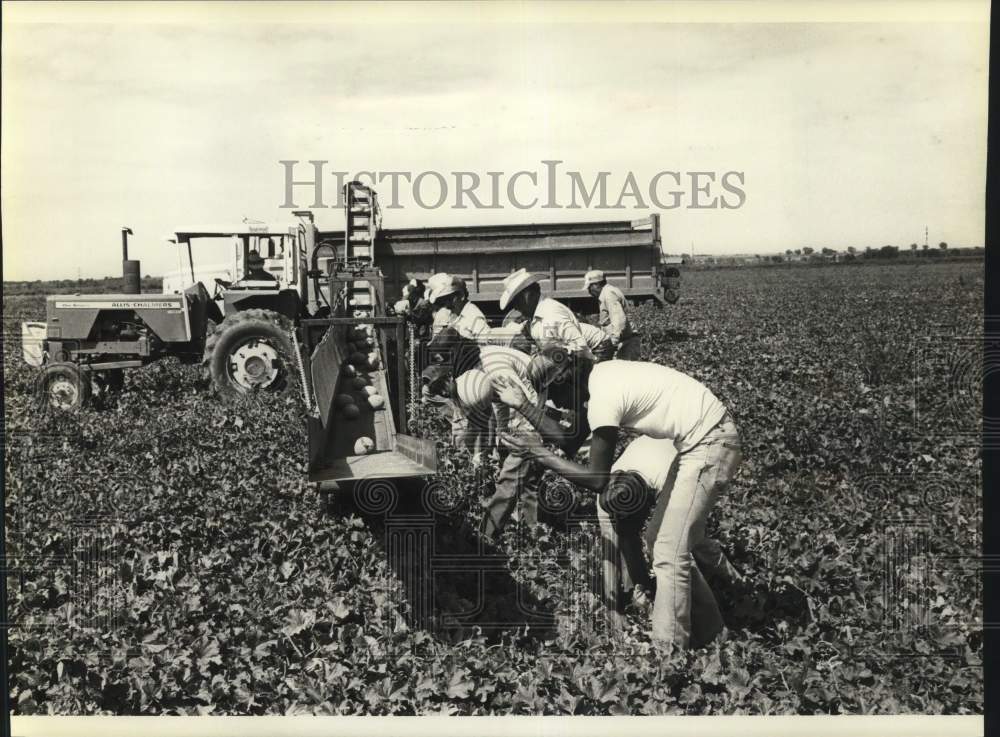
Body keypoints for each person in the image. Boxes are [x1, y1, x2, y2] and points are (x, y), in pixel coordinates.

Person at [496, 353, 742, 652]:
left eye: (556, 396)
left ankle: (668, 653)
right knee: (658, 542)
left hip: (710, 442)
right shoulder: (600, 379)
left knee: (668, 550)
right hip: (700, 442)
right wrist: (523, 405)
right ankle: (714, 633)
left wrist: (537, 453)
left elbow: (598, 479)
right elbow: (568, 440)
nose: (557, 406)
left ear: (567, 379)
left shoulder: (603, 396)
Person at [598, 436, 745, 646]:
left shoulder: (665, 482)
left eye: (633, 522)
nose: (625, 526)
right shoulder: (606, 497)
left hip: (692, 461)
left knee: (678, 546)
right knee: (632, 538)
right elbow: (609, 552)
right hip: (653, 454)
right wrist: (613, 609)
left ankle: (715, 628)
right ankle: (652, 593)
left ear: (648, 503)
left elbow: (677, 552)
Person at [583, 270, 641, 360]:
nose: (589, 291)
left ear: (596, 285)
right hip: (623, 341)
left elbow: (618, 320)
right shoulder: (607, 292)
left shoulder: (609, 294)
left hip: (625, 343)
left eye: (590, 287)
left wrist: (613, 343)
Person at [427, 273, 490, 341]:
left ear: (461, 296)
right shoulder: (451, 314)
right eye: (444, 301)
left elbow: (486, 345)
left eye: (450, 299)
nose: (447, 305)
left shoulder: (474, 317)